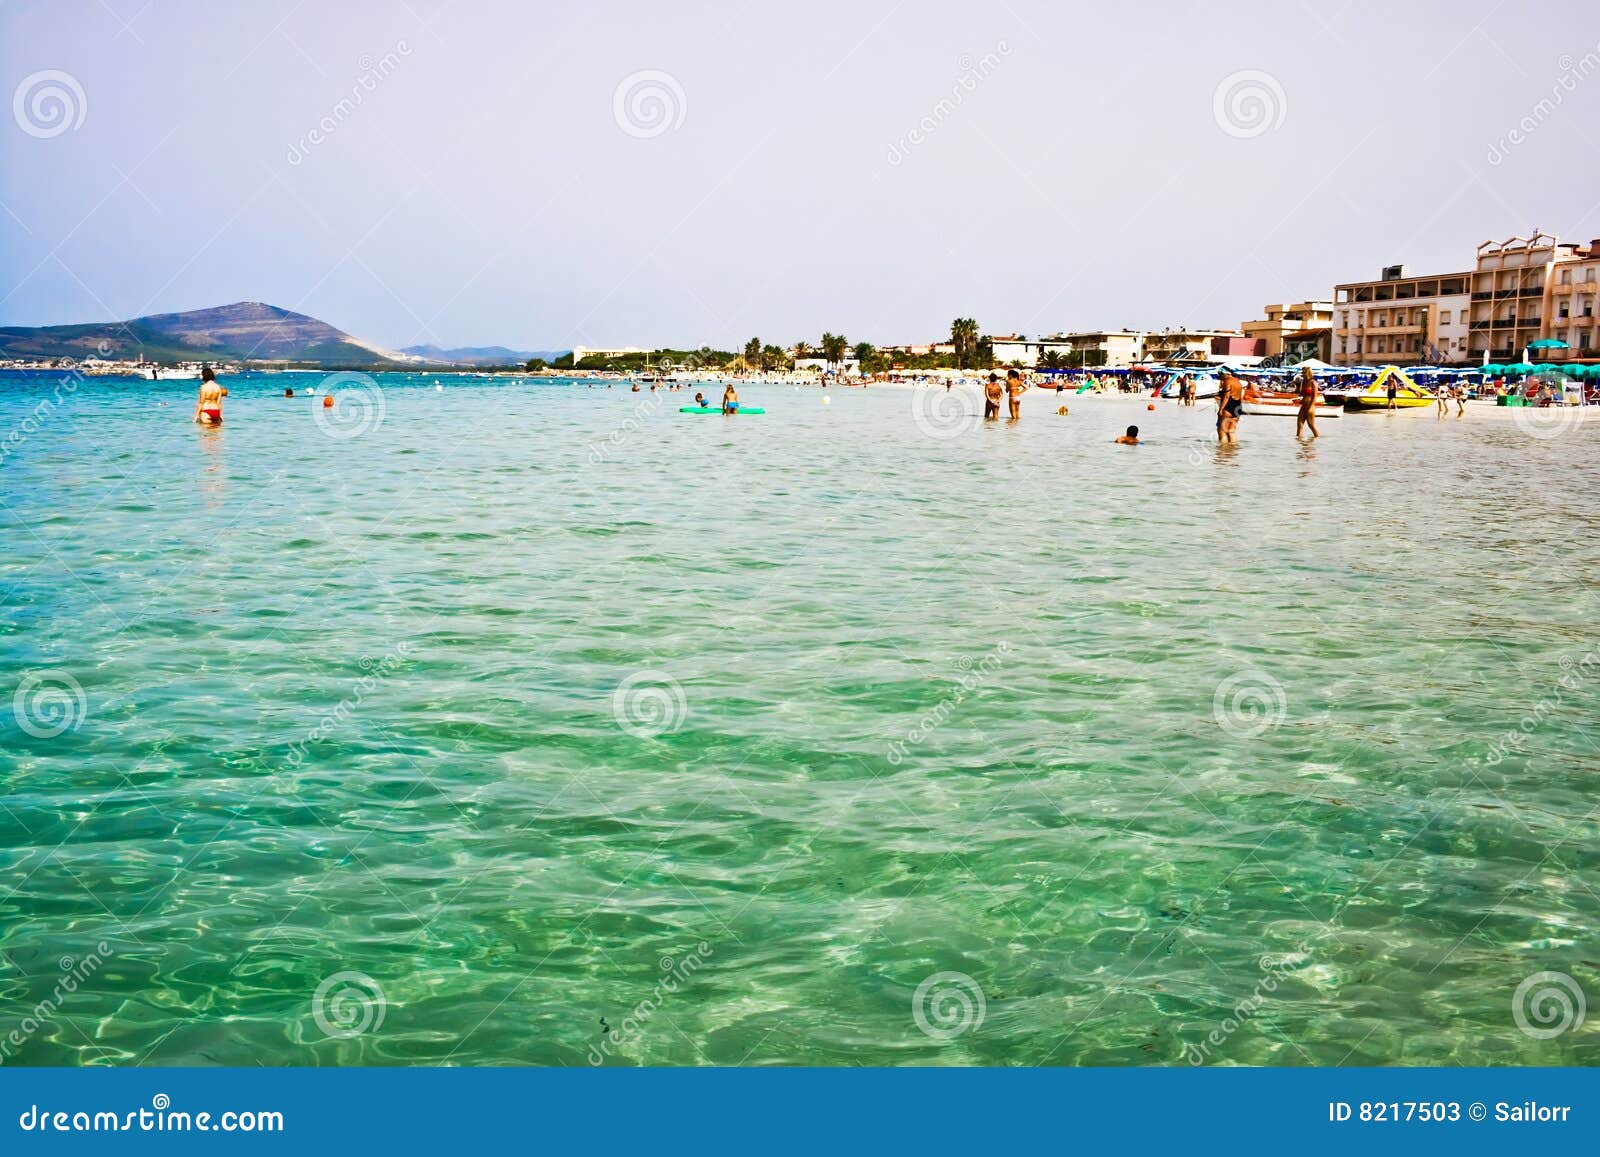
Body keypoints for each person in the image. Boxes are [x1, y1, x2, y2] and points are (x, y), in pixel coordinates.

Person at [1218, 371, 1244, 443]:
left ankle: (1223, 451)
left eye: (1220, 375)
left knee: (1222, 431)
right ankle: (1232, 450)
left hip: (1229, 406)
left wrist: (1221, 409)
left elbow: (1227, 396)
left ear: (1225, 374)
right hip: (1238, 406)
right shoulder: (1238, 382)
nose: (1219, 377)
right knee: (1231, 431)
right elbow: (1241, 397)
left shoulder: (1227, 381)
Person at [1295, 367, 1320, 439]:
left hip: (1310, 406)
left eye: (1304, 372)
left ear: (1308, 372)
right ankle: (1299, 442)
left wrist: (1311, 406)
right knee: (1300, 425)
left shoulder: (1313, 382)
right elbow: (1300, 393)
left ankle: (1317, 439)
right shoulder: (1303, 382)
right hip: (1303, 406)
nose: (1302, 373)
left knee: (1311, 425)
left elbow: (1315, 396)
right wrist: (1297, 385)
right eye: (1302, 372)